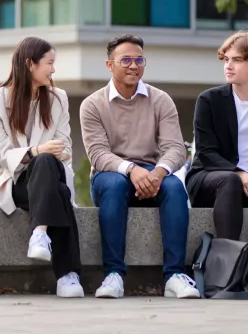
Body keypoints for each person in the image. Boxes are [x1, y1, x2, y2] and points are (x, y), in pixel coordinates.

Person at [81, 34, 199, 300]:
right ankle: (113, 274)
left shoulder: (161, 100)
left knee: (175, 187)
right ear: (109, 65)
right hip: (110, 174)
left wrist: (157, 173)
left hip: (152, 172)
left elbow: (175, 148)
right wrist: (131, 170)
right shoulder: (92, 104)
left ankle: (174, 276)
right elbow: (98, 154)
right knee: (114, 184)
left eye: (139, 60)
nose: (134, 66)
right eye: (126, 60)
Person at [186, 31, 248, 298]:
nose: (228, 66)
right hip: (209, 178)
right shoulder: (209, 100)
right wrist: (241, 174)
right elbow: (206, 154)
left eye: (238, 60)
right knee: (230, 180)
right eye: (226, 59)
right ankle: (228, 269)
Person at [0, 37, 84, 298]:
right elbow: (3, 155)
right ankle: (67, 275)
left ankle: (39, 234)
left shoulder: (58, 98)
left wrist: (45, 155)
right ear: (30, 64)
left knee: (47, 165)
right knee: (57, 190)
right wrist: (37, 151)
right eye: (49, 63)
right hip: (16, 184)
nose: (53, 70)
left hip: (50, 171)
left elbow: (67, 149)